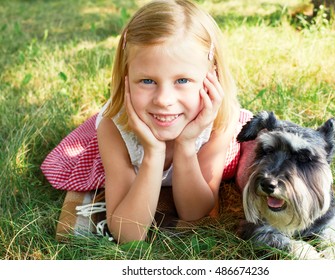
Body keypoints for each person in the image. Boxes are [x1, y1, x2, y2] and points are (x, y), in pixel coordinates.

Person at [41, 0, 252, 243]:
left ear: (211, 77)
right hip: (129, 127)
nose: (164, 100)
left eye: (182, 80)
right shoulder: (114, 127)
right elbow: (128, 233)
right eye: (147, 81)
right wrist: (152, 153)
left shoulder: (218, 122)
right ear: (126, 77)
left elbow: (195, 213)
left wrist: (186, 144)